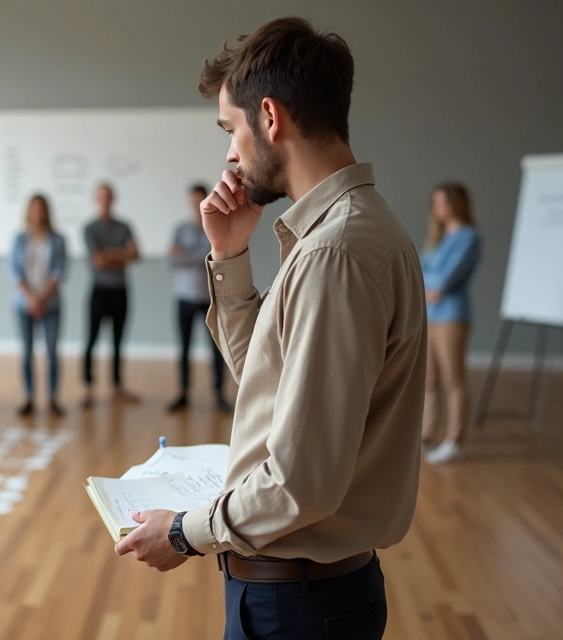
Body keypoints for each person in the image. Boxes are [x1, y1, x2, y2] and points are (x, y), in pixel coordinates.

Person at [114, 18, 427, 640]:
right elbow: (273, 382)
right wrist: (230, 258)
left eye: (231, 129)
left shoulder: (332, 253)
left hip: (299, 609)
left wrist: (182, 531)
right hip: (310, 596)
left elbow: (299, 483)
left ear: (270, 117)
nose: (230, 153)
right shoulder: (348, 231)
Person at [420, 183, 481, 464]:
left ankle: (455, 440)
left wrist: (432, 282)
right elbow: (417, 271)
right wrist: (431, 283)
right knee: (428, 379)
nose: (437, 209)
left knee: (453, 379)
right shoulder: (440, 238)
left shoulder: (468, 237)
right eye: (435, 203)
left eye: (442, 203)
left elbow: (443, 280)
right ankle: (426, 435)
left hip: (452, 317)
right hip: (430, 315)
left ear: (456, 204)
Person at [167, 183, 231, 413]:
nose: (196, 205)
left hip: (209, 298)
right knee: (183, 348)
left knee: (216, 349)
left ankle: (219, 394)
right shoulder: (180, 229)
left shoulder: (214, 225)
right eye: (192, 201)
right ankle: (183, 393)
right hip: (184, 297)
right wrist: (198, 256)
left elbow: (214, 256)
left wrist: (186, 254)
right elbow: (172, 261)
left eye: (199, 200)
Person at [80, 183, 140, 407]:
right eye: (101, 196)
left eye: (109, 196)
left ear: (113, 199)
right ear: (96, 199)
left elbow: (136, 255)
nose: (105, 200)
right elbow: (99, 260)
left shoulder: (124, 226)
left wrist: (110, 255)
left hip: (120, 291)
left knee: (118, 341)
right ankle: (88, 388)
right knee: (91, 340)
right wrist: (122, 254)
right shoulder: (90, 228)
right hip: (99, 291)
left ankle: (117, 386)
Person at [10, 194, 68, 417]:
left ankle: (53, 398)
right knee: (27, 351)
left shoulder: (58, 239)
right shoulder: (19, 239)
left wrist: (41, 298)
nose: (38, 213)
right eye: (34, 208)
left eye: (41, 208)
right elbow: (14, 272)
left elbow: (59, 272)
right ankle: (29, 396)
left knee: (52, 352)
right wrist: (31, 298)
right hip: (23, 303)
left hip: (50, 303)